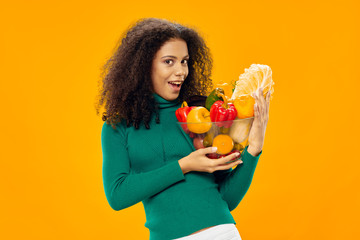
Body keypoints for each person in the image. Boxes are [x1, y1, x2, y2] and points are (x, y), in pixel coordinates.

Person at [95, 18, 270, 240]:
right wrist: (184, 165)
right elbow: (117, 195)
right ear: (143, 65)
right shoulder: (118, 126)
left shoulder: (201, 113)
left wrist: (254, 149)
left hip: (222, 233)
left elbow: (227, 200)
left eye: (185, 61)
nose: (181, 71)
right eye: (169, 61)